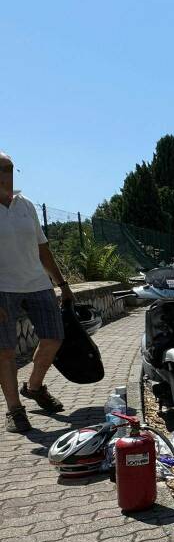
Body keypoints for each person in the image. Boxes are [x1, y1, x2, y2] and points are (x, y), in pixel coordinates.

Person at [0, 151, 73, 433]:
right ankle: (15, 411)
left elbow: (43, 248)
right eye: (2, 168)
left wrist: (62, 284)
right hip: (3, 288)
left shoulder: (26, 204)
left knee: (55, 337)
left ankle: (33, 386)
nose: (7, 172)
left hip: (37, 283)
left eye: (10, 168)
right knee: (5, 352)